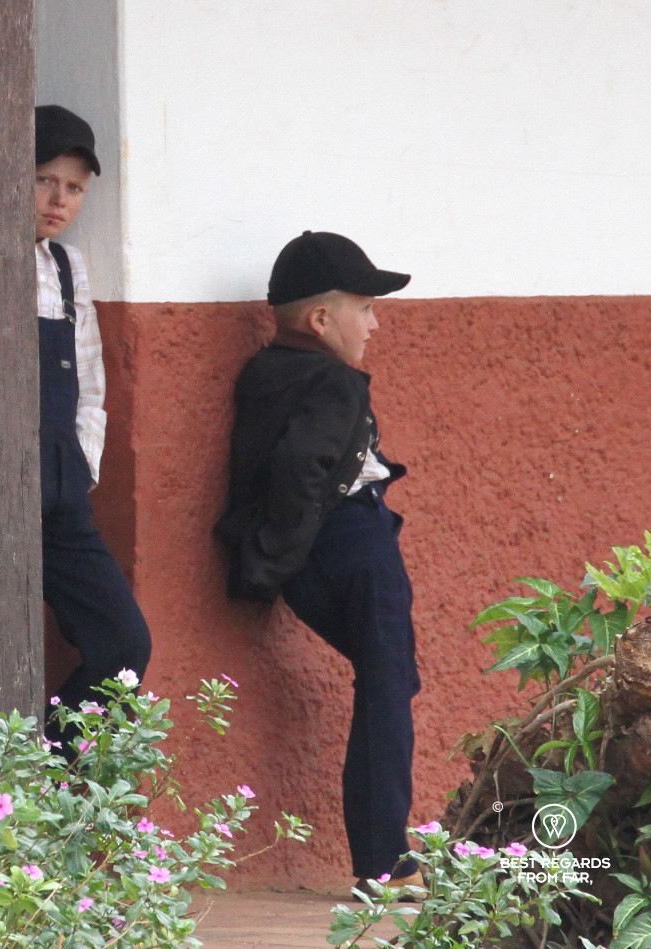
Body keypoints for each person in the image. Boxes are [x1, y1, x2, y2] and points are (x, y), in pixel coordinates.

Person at [214, 230, 422, 893]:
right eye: (365, 307)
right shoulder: (334, 379)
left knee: (384, 678)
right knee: (390, 682)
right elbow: (302, 467)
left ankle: (383, 856)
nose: (375, 322)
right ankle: (385, 860)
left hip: (308, 559)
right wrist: (293, 542)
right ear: (321, 319)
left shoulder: (265, 370)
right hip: (352, 542)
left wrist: (276, 556)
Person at [32, 105, 151, 750]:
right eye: (45, 179)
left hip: (62, 488)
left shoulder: (71, 268)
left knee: (124, 645)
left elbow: (91, 378)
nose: (59, 199)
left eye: (74, 188)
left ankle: (50, 773)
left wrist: (82, 464)